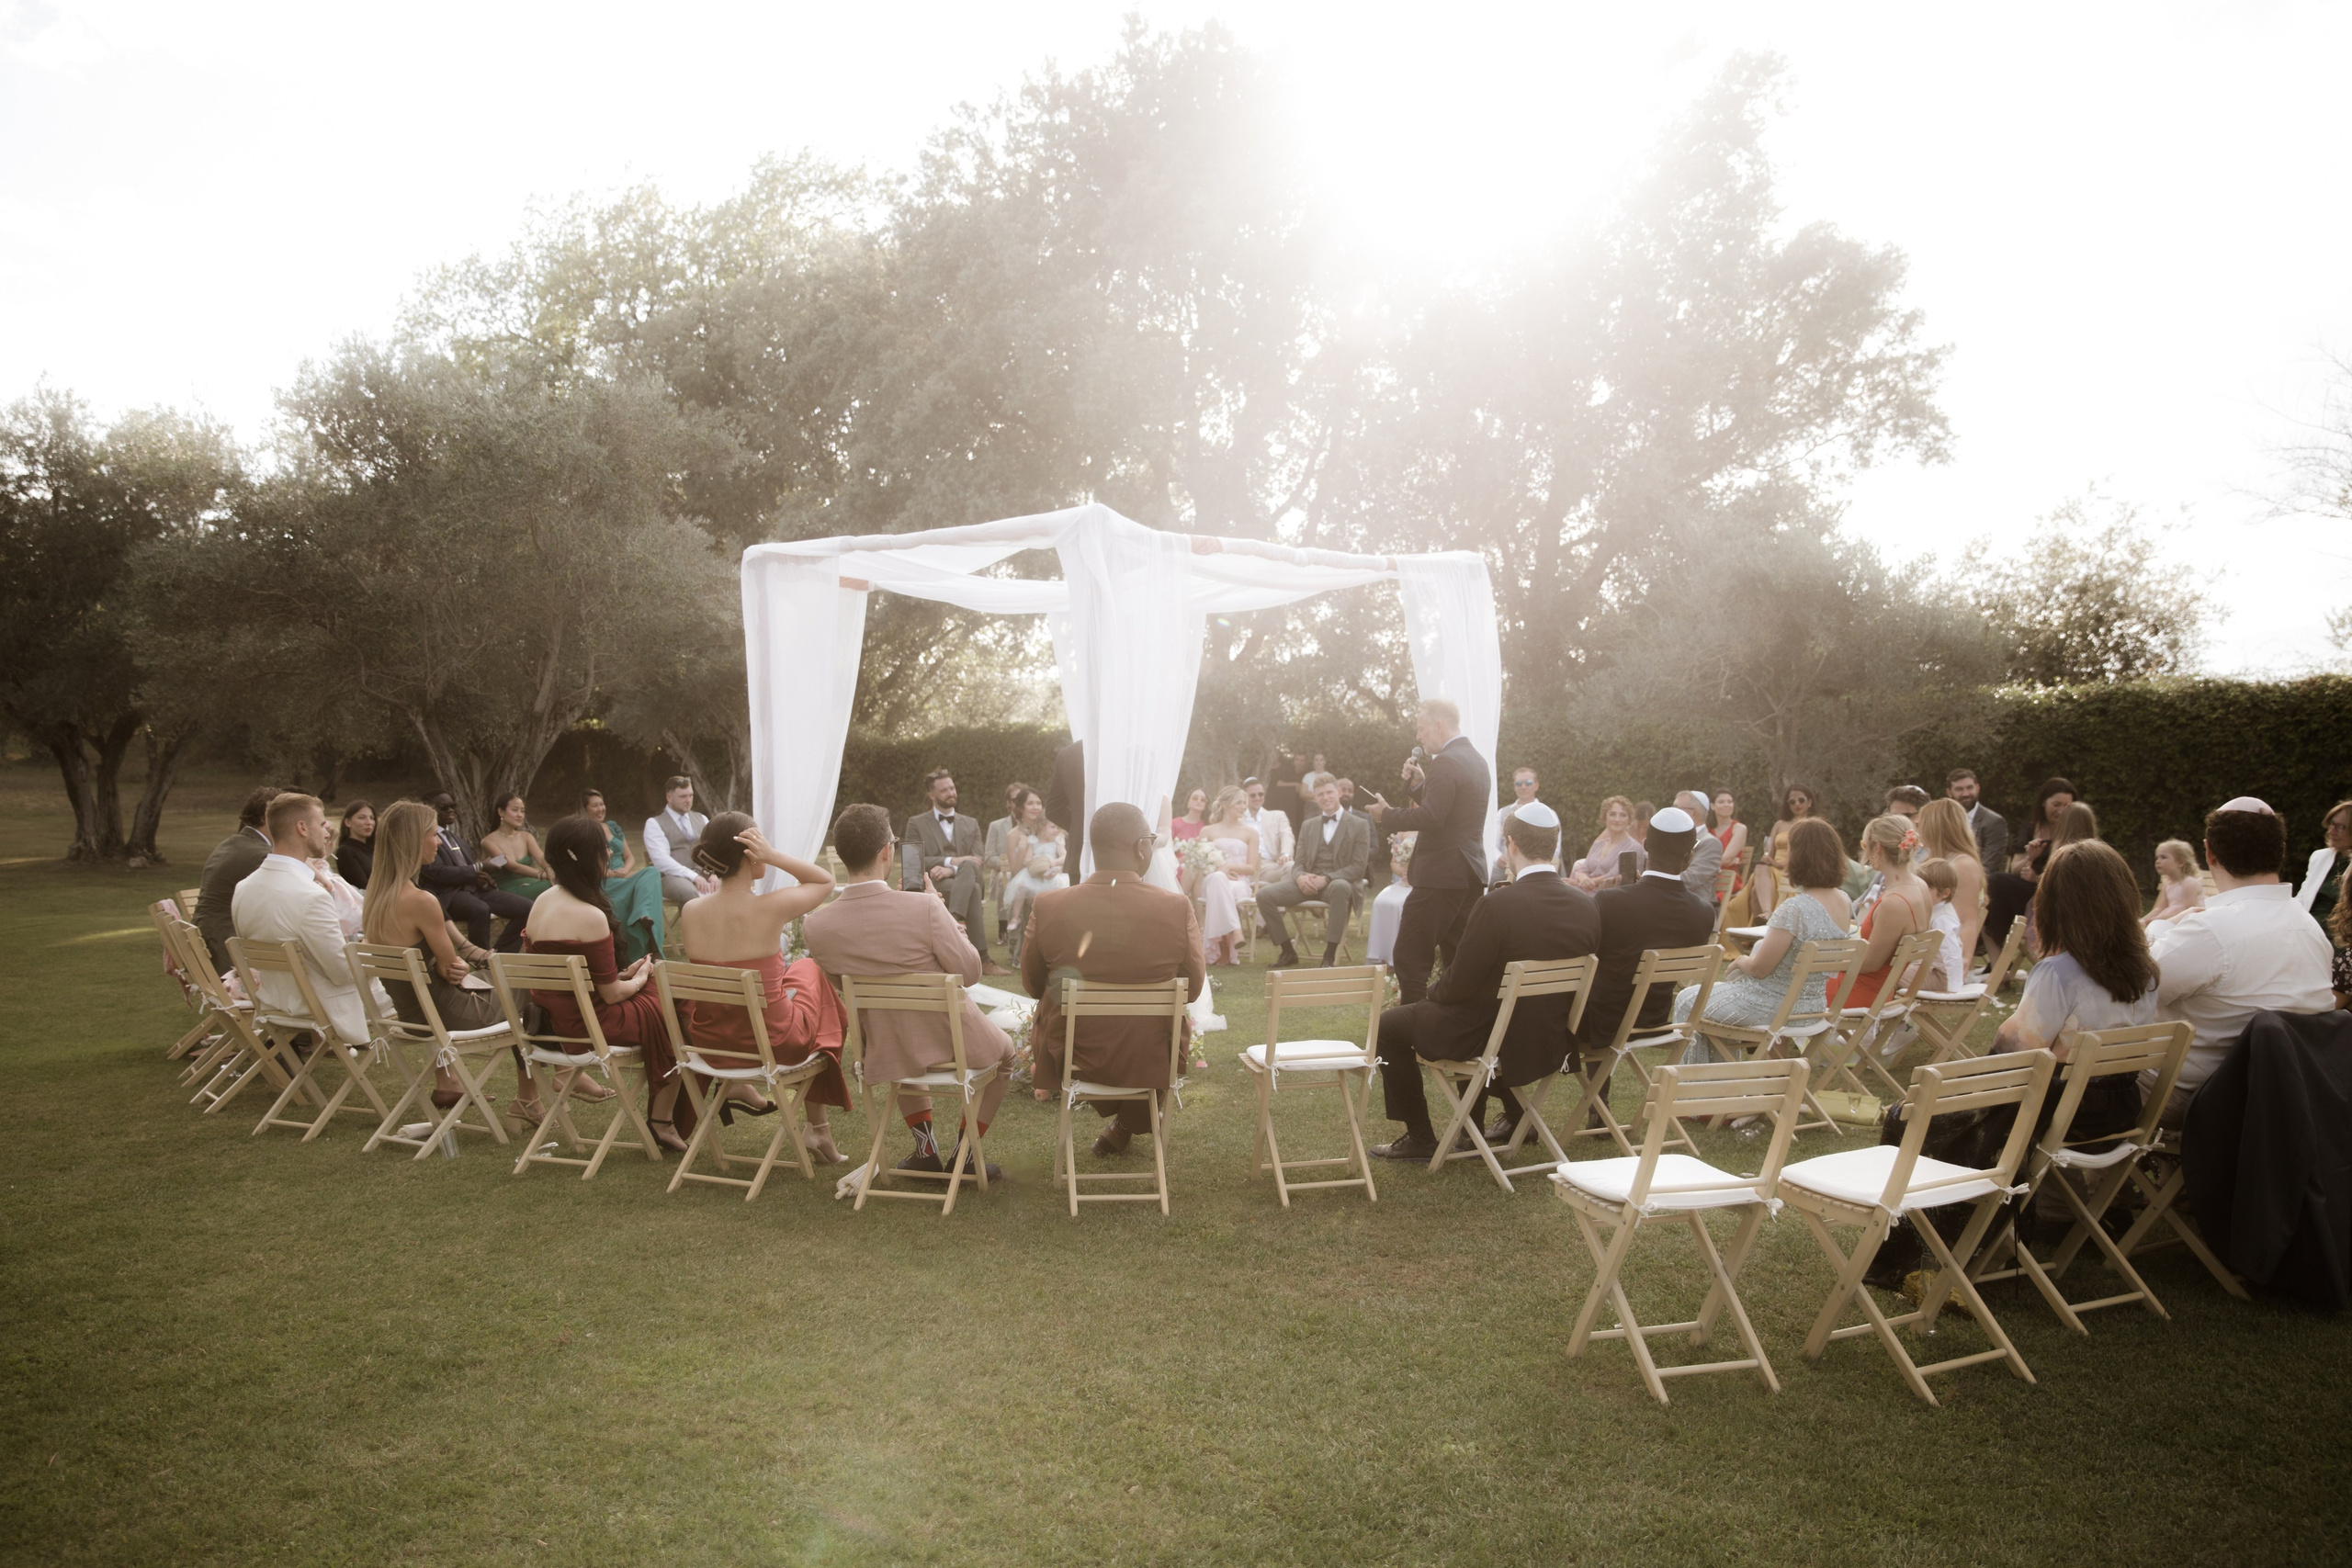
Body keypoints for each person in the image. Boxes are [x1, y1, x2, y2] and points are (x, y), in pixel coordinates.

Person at [1370, 803, 1600, 1159]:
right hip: (1548, 1033)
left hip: (1493, 1034)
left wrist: (1429, 995)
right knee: (1472, 1015)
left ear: (1511, 844)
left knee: (1388, 1025)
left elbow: (1459, 984)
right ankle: (1514, 1118)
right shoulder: (1585, 904)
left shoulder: (1497, 904)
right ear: (1553, 845)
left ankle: (1420, 1137)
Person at [804, 804, 1015, 1174]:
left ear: (840, 853)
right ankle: (964, 1155)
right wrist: (943, 914)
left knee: (903, 1042)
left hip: (887, 1045)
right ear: (887, 851)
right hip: (955, 1040)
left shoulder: (816, 925)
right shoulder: (925, 908)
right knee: (1007, 1056)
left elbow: (843, 985)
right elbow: (969, 973)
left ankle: (925, 1151)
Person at [1022, 801, 1205, 1156]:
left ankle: (1123, 1126)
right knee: (1160, 1031)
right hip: (1151, 1056)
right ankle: (1128, 1123)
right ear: (1141, 847)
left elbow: (1032, 985)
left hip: (1073, 1052)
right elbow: (1192, 990)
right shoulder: (1176, 907)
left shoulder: (1048, 905)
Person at [363, 799, 557, 1122]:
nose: (439, 842)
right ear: (413, 840)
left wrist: (460, 964)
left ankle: (536, 1093)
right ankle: (536, 1093)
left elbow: (447, 965)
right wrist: (463, 964)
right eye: (432, 834)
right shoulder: (420, 901)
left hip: (412, 1011)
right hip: (448, 1013)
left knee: (513, 983)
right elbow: (451, 969)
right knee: (535, 987)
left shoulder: (376, 896)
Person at [2147, 797, 2335, 1125]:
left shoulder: (2210, 932)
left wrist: (2162, 927)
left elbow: (2132, 989)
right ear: (2280, 851)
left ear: (2209, 853)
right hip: (2284, 1103)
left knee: (2060, 1086)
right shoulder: (2312, 931)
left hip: (2196, 1100)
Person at [675, 812, 845, 1162]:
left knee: (800, 974)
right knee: (812, 971)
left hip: (712, 1044)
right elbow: (825, 882)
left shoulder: (691, 910)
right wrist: (774, 857)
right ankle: (819, 1130)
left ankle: (817, 1130)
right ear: (751, 852)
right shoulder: (770, 907)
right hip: (773, 1042)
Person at [525, 817, 684, 1150]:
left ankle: (667, 1115)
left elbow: (589, 980)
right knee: (676, 1001)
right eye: (604, 851)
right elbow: (611, 996)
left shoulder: (543, 900)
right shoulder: (590, 915)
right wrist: (640, 977)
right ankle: (663, 1118)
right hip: (591, 1023)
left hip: (555, 1019)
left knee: (668, 993)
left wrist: (621, 975)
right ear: (586, 858)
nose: (609, 858)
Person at [1361, 698, 1493, 1005]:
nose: (1419, 737)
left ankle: (1412, 1027)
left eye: (1421, 729)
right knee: (1458, 955)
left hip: (1440, 875)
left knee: (1410, 954)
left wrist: (1387, 815)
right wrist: (1420, 785)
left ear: (1438, 725)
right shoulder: (1475, 759)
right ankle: (1456, 1023)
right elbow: (1451, 812)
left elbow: (1433, 818)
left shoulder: (1446, 761)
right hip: (1468, 873)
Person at [1675, 818, 1855, 1043]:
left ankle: (1696, 1078)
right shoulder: (1844, 901)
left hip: (1775, 1008)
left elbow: (1759, 969)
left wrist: (1740, 960)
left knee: (1687, 998)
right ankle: (1722, 1075)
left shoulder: (1796, 908)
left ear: (1800, 856)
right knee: (1707, 996)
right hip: (1813, 1007)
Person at [230, 792, 367, 1049]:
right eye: (323, 824)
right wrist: (370, 945)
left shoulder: (243, 887)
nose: (327, 833)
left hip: (272, 1002)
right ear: (302, 828)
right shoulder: (310, 895)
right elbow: (342, 973)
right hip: (318, 1008)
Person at [1585, 807, 1716, 1055]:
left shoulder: (1610, 902)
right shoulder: (1703, 913)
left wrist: (1618, 894)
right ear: (1690, 855)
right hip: (1655, 1020)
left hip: (1601, 1021)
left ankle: (1598, 1090)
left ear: (1645, 845)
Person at [1258, 776, 1372, 969]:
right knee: (1263, 895)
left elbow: (1358, 868)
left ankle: (1329, 955)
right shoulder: (1308, 825)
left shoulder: (1359, 825)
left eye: (1329, 792)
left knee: (1340, 887)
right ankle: (1287, 950)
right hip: (1308, 883)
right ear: (1315, 798)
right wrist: (1300, 877)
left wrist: (1327, 878)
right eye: (1321, 794)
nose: (1325, 797)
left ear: (1339, 793)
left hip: (1336, 884)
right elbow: (1299, 863)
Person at [902, 769, 1001, 973]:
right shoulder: (916, 823)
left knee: (970, 871)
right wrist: (951, 860)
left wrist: (950, 869)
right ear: (932, 795)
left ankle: (954, 918)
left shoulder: (971, 823)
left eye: (952, 788)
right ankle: (982, 958)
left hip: (957, 877)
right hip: (933, 883)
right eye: (944, 790)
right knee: (972, 888)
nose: (951, 793)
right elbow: (912, 861)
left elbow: (977, 861)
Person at [419, 792, 534, 953]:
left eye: (453, 806)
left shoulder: (456, 839)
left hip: (476, 889)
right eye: (445, 807)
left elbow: (468, 867)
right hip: (450, 894)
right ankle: (481, 959)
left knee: (527, 907)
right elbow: (437, 872)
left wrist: (481, 876)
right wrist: (478, 868)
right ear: (429, 809)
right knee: (479, 909)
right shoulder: (425, 839)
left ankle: (500, 955)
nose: (451, 810)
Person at [1843, 815, 1934, 1010]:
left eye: (1864, 845)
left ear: (1877, 848)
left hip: (1861, 992)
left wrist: (1825, 959)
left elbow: (1869, 964)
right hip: (1878, 987)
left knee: (1785, 984)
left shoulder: (1894, 903)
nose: (1864, 852)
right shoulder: (1920, 886)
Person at [197, 785, 283, 973]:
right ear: (264, 817)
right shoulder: (261, 854)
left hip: (208, 939)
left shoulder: (234, 842)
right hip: (227, 949)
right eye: (282, 815)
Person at [1984, 776, 2076, 953]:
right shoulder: (2031, 828)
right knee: (1996, 885)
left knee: (1996, 885)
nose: (2061, 811)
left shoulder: (2072, 832)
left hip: (2053, 895)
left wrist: (2038, 879)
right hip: (2026, 892)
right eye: (2056, 805)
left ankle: (1999, 950)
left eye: (2067, 806)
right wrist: (2030, 857)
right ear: (2044, 802)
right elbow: (2015, 869)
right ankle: (1998, 956)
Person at [580, 787, 666, 964]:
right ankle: (650, 943)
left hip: (623, 876)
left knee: (652, 872)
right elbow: (586, 865)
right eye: (595, 805)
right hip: (604, 880)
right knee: (645, 882)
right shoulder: (584, 831)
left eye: (602, 804)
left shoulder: (613, 827)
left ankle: (643, 915)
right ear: (584, 809)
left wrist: (625, 870)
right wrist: (612, 873)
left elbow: (629, 857)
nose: (600, 809)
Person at [1196, 785, 1261, 966]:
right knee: (1217, 880)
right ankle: (1235, 931)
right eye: (1238, 802)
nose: (1243, 806)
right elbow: (1201, 863)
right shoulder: (1208, 831)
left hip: (1239, 881)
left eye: (1244, 803)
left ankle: (1222, 951)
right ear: (1225, 804)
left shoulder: (1251, 833)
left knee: (1221, 884)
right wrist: (1219, 871)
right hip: (1212, 879)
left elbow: (1251, 868)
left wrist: (1228, 867)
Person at [1000, 786, 1070, 953]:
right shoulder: (1014, 834)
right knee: (1043, 899)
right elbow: (1016, 871)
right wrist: (1023, 850)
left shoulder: (1052, 830)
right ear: (1021, 807)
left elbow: (1063, 856)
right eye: (1030, 803)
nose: (1035, 807)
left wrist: (1053, 867)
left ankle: (1058, 949)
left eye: (1038, 803)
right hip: (1028, 882)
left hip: (1051, 878)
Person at [1915, 798, 1985, 964]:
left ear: (1935, 827)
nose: (1916, 826)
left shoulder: (1962, 865)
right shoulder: (1937, 860)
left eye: (1921, 822)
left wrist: (1964, 962)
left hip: (1940, 957)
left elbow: (1967, 921)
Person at [1747, 783, 1820, 918]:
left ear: (1809, 802)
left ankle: (1762, 924)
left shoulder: (1813, 825)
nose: (1797, 804)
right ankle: (1767, 913)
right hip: (1773, 870)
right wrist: (1768, 859)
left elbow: (1808, 858)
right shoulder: (1779, 824)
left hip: (1795, 870)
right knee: (1760, 867)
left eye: (1801, 800)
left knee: (1755, 892)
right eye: (1792, 801)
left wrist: (1777, 864)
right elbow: (1769, 852)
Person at [643, 775, 716, 908]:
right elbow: (662, 861)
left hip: (702, 873)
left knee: (730, 887)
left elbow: (713, 851)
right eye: (683, 797)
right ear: (669, 797)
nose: (688, 800)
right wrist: (693, 876)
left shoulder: (702, 818)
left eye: (691, 795)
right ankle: (695, 929)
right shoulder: (654, 824)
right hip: (671, 877)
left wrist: (711, 873)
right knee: (690, 894)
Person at [480, 792, 554, 900]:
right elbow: (513, 867)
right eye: (515, 810)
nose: (520, 815)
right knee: (556, 886)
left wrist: (550, 869)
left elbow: (541, 858)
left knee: (563, 883)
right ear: (501, 812)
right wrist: (543, 875)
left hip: (532, 883)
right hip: (509, 890)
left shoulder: (526, 837)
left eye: (522, 811)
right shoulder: (488, 842)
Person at [2295, 799, 2352, 932]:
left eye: (2339, 827)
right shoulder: (2320, 857)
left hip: (2342, 936)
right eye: (2331, 824)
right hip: (2309, 931)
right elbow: (2302, 899)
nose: (2331, 831)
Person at [983, 780, 1026, 941]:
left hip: (1030, 870)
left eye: (1022, 798)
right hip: (1004, 872)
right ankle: (1003, 928)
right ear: (1008, 803)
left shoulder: (1036, 826)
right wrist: (1007, 864)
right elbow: (988, 857)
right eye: (1015, 799)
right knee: (1004, 878)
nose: (1019, 803)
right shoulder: (996, 826)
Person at [1569, 795, 1644, 888]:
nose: (1617, 819)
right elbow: (1582, 870)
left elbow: (1614, 877)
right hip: (1584, 892)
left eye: (1623, 815)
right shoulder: (1598, 844)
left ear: (1629, 819)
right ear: (1605, 817)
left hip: (1609, 898)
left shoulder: (1633, 848)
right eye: (1612, 814)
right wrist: (1583, 879)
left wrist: (1582, 884)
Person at [1947, 768, 2008, 874]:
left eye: (1969, 788)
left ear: (1977, 788)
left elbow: (1988, 866)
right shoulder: (1945, 820)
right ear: (1949, 793)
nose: (1966, 794)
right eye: (1959, 789)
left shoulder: (1993, 822)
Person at [1917, 858, 1966, 992]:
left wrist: (1954, 986)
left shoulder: (1942, 918)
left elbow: (1952, 952)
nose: (1920, 893)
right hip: (1928, 968)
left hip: (1939, 974)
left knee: (1894, 981)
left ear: (1945, 893)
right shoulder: (1932, 910)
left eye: (1925, 889)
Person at [1491, 766, 1547, 882]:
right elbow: (1492, 842)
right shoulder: (1502, 813)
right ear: (1514, 786)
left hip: (1534, 867)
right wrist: (1497, 857)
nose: (1523, 787)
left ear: (1536, 785)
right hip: (1503, 866)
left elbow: (1555, 850)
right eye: (1518, 783)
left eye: (1528, 783)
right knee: (1483, 875)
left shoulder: (1548, 813)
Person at [1366, 835, 1413, 966]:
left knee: (1400, 904)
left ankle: (1397, 957)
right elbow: (1394, 863)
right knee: (1380, 901)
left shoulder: (1431, 829)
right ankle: (1381, 954)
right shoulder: (1402, 833)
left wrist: (1415, 873)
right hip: (1403, 881)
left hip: (1421, 883)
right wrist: (1403, 871)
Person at [1045, 738, 1087, 874]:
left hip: (1080, 852)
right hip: (1125, 857)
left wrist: (1080, 826)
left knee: (1081, 895)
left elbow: (1053, 809)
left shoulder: (1069, 753)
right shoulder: (1133, 750)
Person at [1674, 790, 1724, 904]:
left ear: (1694, 813)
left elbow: (1691, 879)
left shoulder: (1710, 843)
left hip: (1695, 908)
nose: (1673, 812)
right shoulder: (1674, 838)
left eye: (1677, 807)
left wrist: (1657, 880)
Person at [1243, 778, 1295, 885]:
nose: (1257, 798)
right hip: (1243, 868)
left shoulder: (1277, 816)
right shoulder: (1237, 819)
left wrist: (1285, 854)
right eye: (1253, 795)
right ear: (1245, 797)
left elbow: (1287, 836)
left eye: (1261, 794)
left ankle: (1283, 900)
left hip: (1270, 866)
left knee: (1291, 866)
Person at [2145, 839, 2206, 928]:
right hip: (2171, 919)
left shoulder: (2189, 883)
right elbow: (2159, 908)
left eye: (2163, 857)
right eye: (2157, 857)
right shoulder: (2168, 884)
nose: (2157, 861)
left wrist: (2159, 919)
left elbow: (2188, 912)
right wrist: (2143, 920)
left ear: (2181, 863)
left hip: (2187, 923)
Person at [334, 800, 377, 890]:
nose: (369, 822)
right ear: (348, 822)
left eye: (372, 818)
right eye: (362, 818)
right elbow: (363, 887)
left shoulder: (375, 849)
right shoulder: (345, 851)